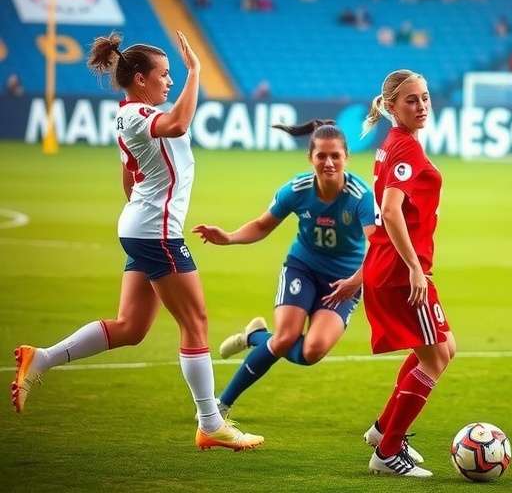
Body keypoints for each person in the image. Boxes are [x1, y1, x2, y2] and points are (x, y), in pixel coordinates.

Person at [10, 30, 264, 451]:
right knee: (195, 322)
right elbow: (179, 123)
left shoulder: (132, 116)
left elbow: (130, 177)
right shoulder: (136, 115)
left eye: (172, 74)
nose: (169, 81)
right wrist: (196, 70)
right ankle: (210, 422)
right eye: (164, 75)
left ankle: (44, 357)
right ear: (141, 79)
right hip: (156, 233)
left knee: (131, 327)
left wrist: (146, 214)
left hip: (145, 229)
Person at [191, 121, 378, 418]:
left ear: (346, 158)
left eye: (335, 156)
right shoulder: (297, 189)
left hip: (345, 281)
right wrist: (228, 237)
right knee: (285, 339)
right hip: (302, 269)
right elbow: (262, 225)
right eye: (321, 156)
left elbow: (379, 247)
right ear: (310, 158)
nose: (328, 163)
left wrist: (355, 282)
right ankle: (221, 405)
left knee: (311, 352)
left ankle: (255, 337)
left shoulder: (360, 196)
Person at [360, 69, 456, 477]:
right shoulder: (405, 149)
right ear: (392, 107)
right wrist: (416, 268)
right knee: (435, 358)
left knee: (442, 349)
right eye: (411, 100)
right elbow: (392, 208)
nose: (421, 106)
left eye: (425, 97)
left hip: (392, 265)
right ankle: (387, 451)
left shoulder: (394, 144)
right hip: (402, 271)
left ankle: (383, 430)